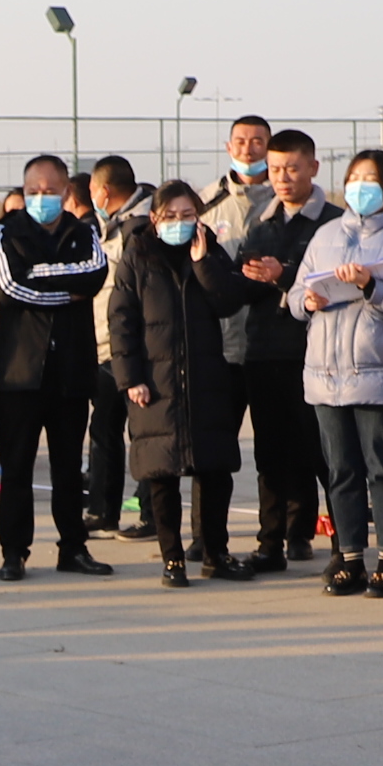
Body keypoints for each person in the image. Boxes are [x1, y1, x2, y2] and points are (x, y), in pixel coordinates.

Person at [297, 147, 383, 597]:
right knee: (341, 471)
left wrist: (370, 285)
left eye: (370, 180)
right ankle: (351, 558)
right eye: (354, 179)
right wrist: (307, 301)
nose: (360, 188)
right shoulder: (325, 234)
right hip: (326, 374)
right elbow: (296, 294)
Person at [106, 178, 255, 583]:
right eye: (170, 215)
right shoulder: (137, 255)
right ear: (155, 218)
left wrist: (203, 262)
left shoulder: (209, 250)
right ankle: (172, 559)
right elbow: (121, 321)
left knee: (214, 471)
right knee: (162, 475)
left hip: (206, 380)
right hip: (156, 384)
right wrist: (130, 378)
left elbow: (228, 301)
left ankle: (215, 553)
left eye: (187, 214)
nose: (179, 221)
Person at [0, 156, 113, 581]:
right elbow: (9, 287)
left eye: (50, 191)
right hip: (21, 372)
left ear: (66, 193)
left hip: (71, 370)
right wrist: (64, 292)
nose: (42, 198)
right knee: (17, 468)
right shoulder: (7, 231)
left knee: (68, 469)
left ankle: (73, 547)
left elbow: (93, 275)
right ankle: (13, 552)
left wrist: (39, 278)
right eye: (33, 191)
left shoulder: (84, 231)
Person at [221, 131, 341, 575]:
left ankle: (342, 546)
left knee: (323, 455)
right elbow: (242, 285)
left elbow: (333, 281)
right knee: (270, 456)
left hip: (314, 355)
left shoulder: (334, 223)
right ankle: (271, 544)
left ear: (313, 167)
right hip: (263, 353)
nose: (283, 178)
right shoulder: (262, 223)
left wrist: (284, 274)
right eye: (275, 170)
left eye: (292, 168)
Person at [82, 156, 144, 543]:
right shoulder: (112, 225)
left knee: (145, 433)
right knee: (104, 429)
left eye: (92, 191)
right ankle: (103, 511)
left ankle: (150, 513)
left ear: (103, 190)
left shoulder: (141, 226)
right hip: (106, 347)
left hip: (136, 348)